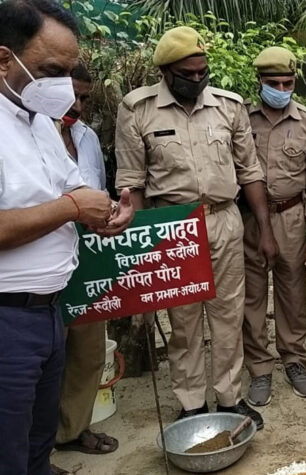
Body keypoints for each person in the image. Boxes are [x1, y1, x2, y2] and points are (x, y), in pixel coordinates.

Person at [115, 26, 278, 429]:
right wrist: (143, 246)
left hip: (224, 220)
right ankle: (190, 405)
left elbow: (250, 170)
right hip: (172, 224)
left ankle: (230, 398)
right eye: (187, 73)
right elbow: (132, 183)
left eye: (202, 71)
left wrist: (265, 228)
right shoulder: (138, 109)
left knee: (228, 315)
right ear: (166, 72)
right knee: (184, 322)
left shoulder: (228, 106)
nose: (197, 79)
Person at [0, 1, 134, 473]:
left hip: (50, 311)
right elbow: (66, 203)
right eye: (51, 70)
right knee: (7, 450)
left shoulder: (38, 121)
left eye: (69, 70)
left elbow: (70, 185)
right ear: (3, 59)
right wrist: (75, 208)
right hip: (8, 320)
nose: (62, 84)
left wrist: (103, 213)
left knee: (39, 442)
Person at [242, 47, 306, 407]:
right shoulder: (242, 119)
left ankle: (294, 360)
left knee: (293, 294)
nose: (281, 88)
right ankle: (260, 369)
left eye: (287, 82)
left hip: (293, 218)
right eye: (273, 82)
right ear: (259, 82)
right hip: (249, 220)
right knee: (252, 296)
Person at [53, 64, 119, 459]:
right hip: (39, 267)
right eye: (70, 96)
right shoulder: (26, 136)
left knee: (89, 352)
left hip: (87, 260)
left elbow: (99, 193)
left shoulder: (88, 136)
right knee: (45, 359)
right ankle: (35, 450)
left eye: (84, 97)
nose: (77, 105)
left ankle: (72, 429)